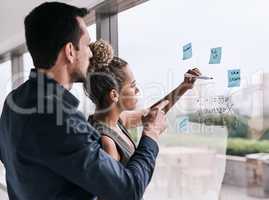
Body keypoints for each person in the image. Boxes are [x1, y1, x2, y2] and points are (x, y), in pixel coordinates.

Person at [0, 2, 168, 200]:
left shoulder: (14, 101)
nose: (91, 52)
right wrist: (151, 134)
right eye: (87, 44)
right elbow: (127, 190)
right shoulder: (58, 118)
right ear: (70, 51)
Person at [84, 40, 201, 166]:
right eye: (133, 85)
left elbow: (151, 113)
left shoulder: (114, 121)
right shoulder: (107, 143)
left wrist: (184, 86)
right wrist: (152, 133)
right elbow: (123, 185)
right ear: (114, 95)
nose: (137, 90)